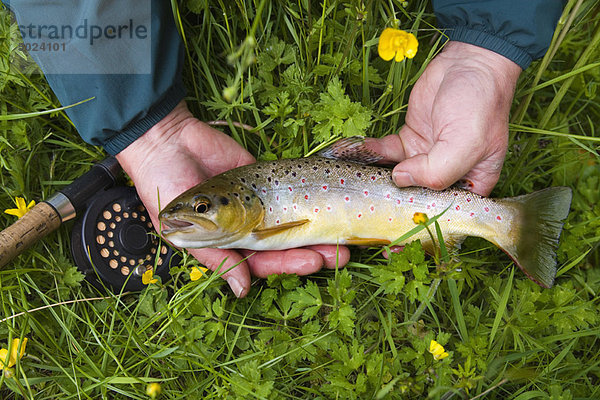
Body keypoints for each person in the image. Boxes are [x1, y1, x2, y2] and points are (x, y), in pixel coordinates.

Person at [5, 0, 564, 297]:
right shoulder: (250, 213)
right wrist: (148, 134)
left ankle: (510, 223)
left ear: (237, 203)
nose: (191, 213)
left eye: (203, 207)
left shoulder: (260, 220)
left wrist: (485, 57)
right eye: (201, 207)